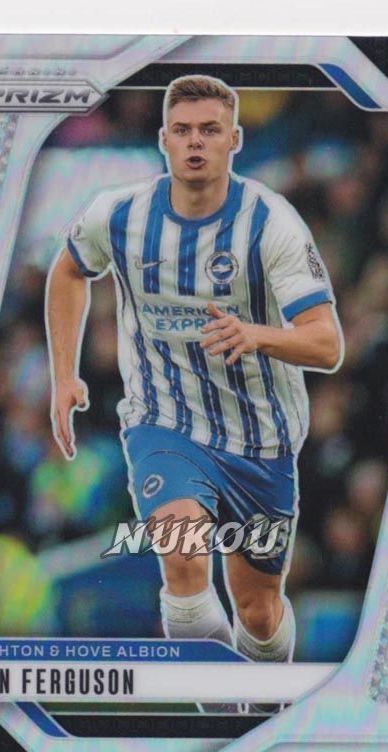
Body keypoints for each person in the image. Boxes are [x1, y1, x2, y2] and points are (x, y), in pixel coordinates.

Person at [45, 75, 344, 704]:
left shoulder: (271, 223)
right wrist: (64, 373)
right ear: (163, 140)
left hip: (259, 436)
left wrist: (256, 335)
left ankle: (264, 703)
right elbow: (69, 269)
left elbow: (326, 344)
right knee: (182, 558)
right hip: (163, 423)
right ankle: (219, 715)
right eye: (182, 130)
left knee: (257, 609)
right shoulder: (119, 214)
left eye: (210, 129)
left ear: (235, 139)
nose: (195, 142)